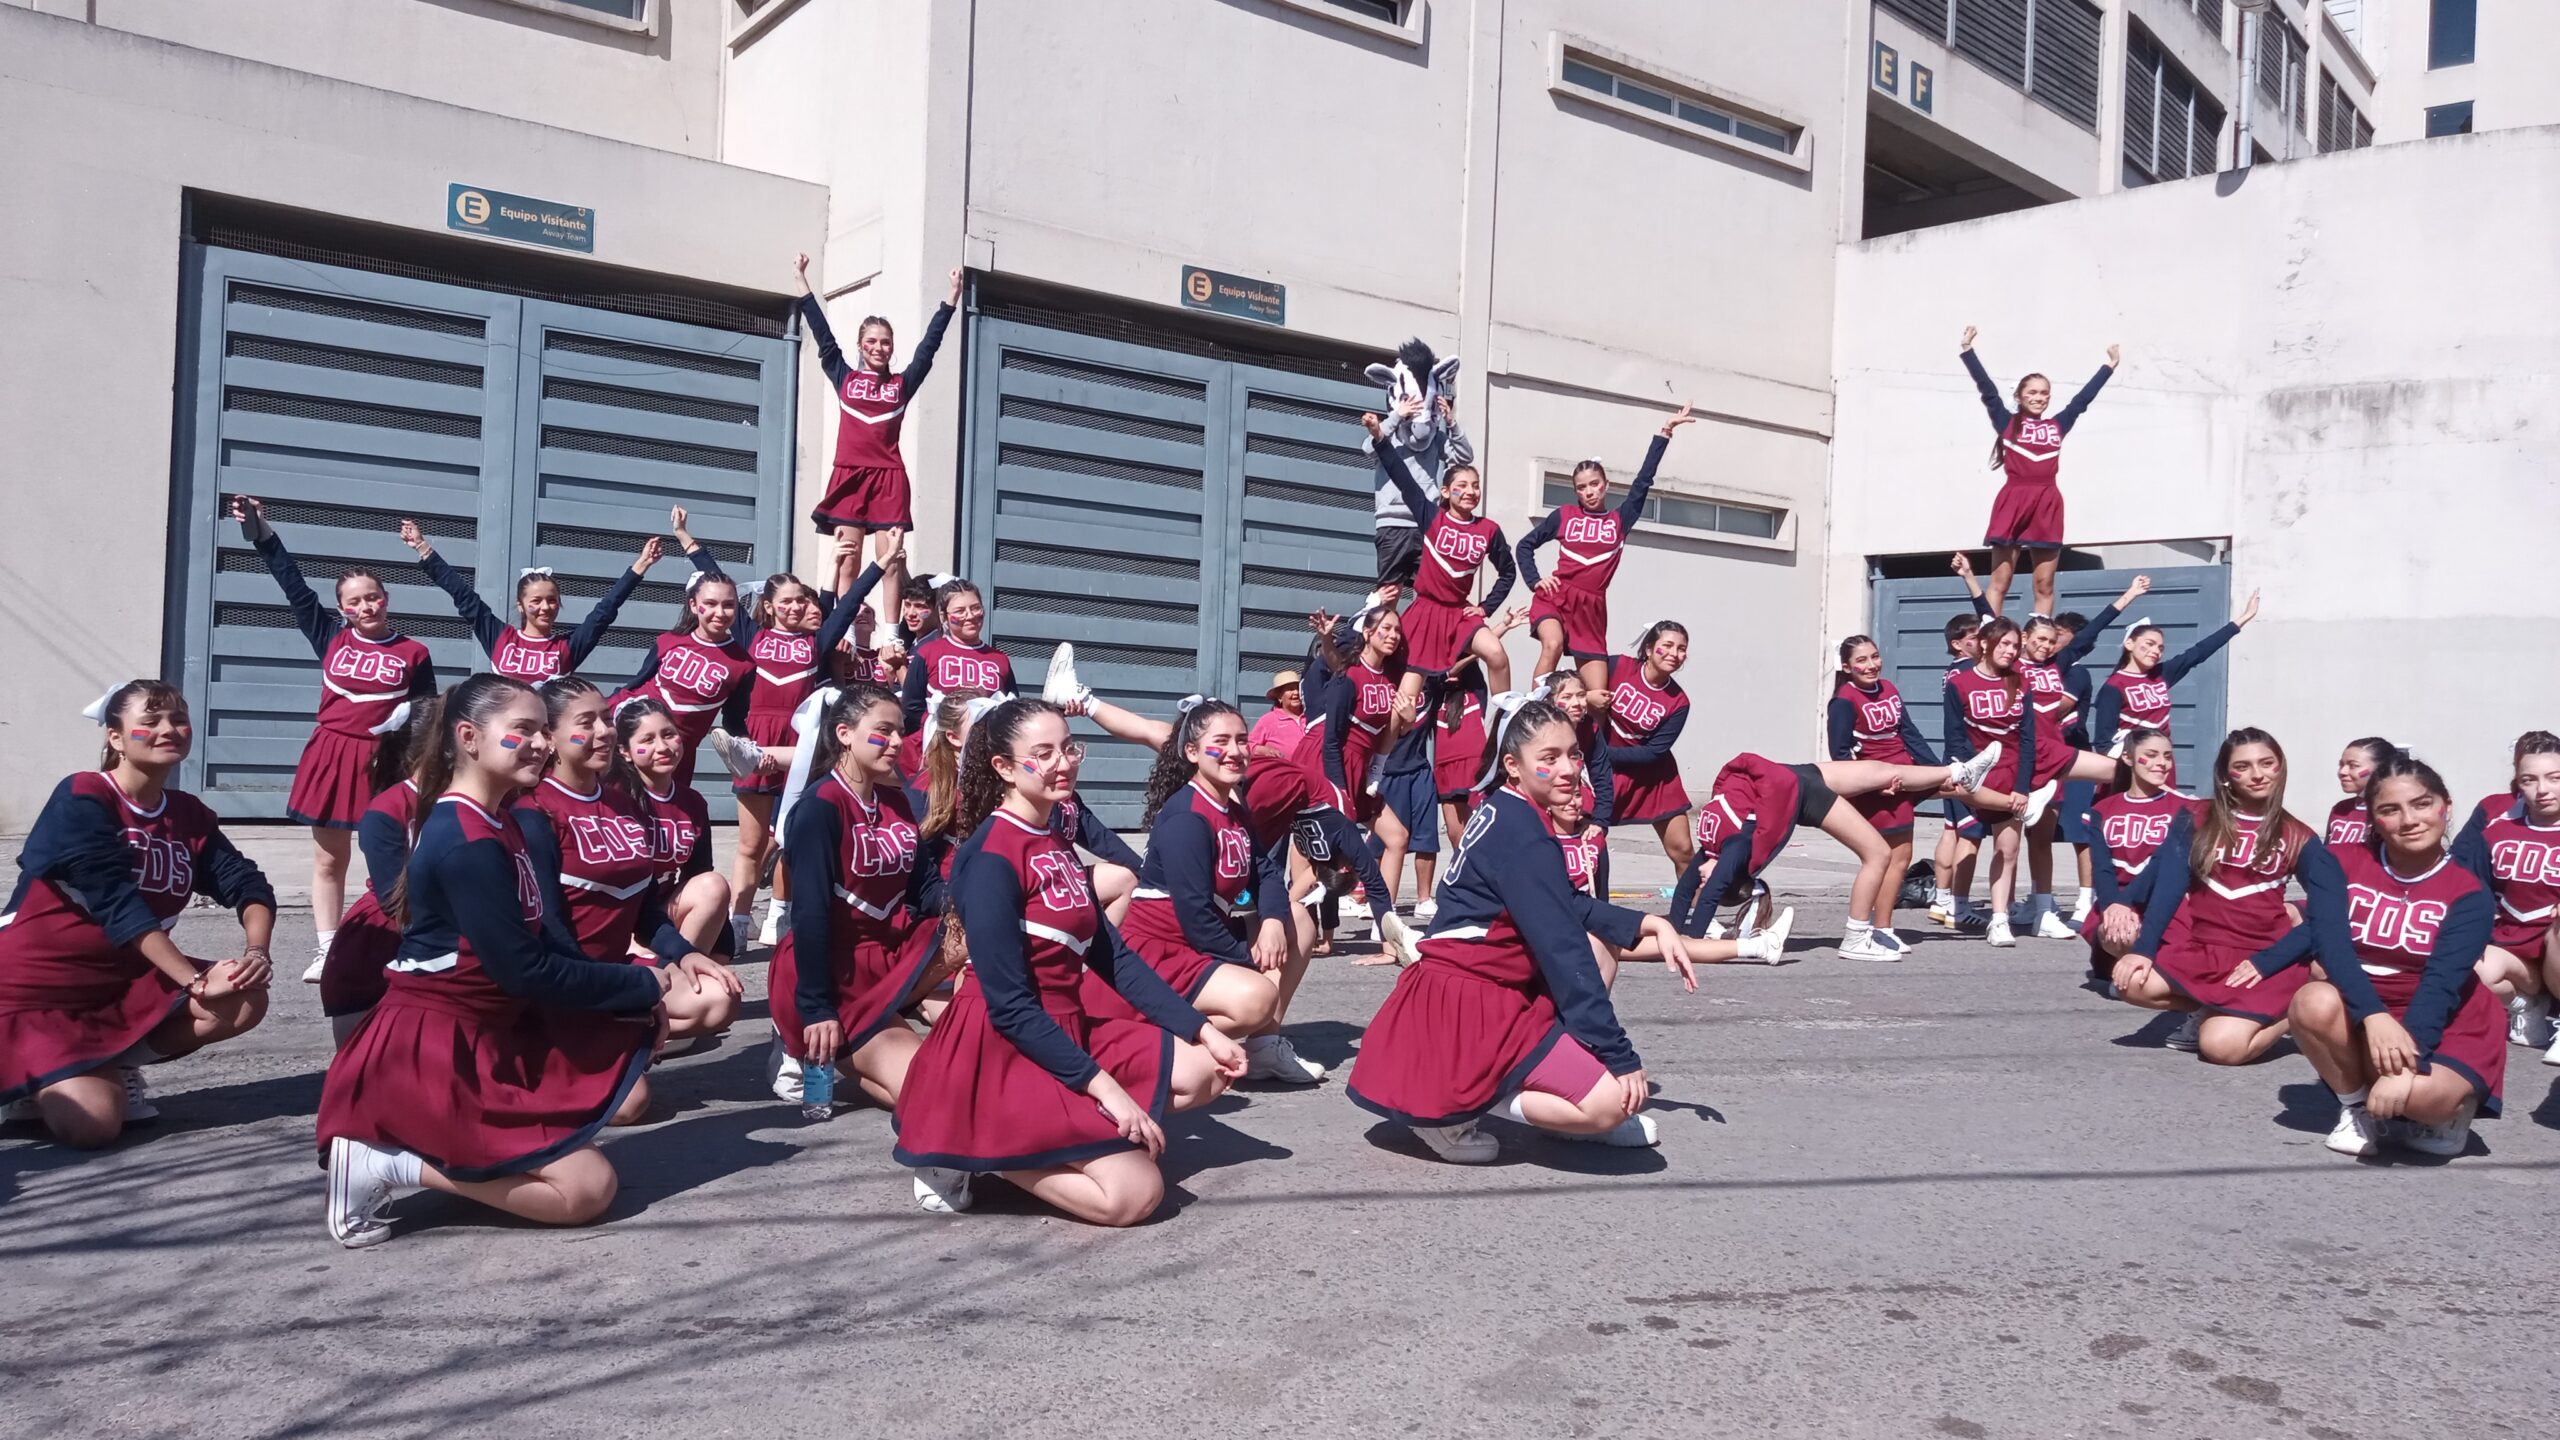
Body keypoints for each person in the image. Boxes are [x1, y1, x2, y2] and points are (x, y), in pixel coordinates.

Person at [316, 674, 673, 1247]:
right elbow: (524, 969)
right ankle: (379, 1163)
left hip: (487, 1036)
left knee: (589, 1172)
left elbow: (545, 948)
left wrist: (632, 992)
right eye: (523, 731)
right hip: (431, 1050)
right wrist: (642, 990)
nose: (540, 744)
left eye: (542, 731)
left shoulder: (502, 821)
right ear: (469, 737)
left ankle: (405, 1151)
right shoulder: (467, 839)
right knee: (584, 1191)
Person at [891, 700, 1248, 1224]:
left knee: (1206, 1070)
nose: (1063, 763)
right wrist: (1108, 1091)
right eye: (1043, 753)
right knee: (1134, 1195)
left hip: (1066, 1025)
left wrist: (1200, 1031)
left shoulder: (1054, 837)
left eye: (1068, 747)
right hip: (1002, 1044)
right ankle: (962, 1149)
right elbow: (1010, 1007)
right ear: (1004, 768)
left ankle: (1063, 1134)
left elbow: (1114, 957)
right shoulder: (989, 855)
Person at [1346, 698, 1698, 1163]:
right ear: (1513, 766)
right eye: (1549, 759)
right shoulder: (1523, 832)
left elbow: (1564, 904)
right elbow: (1562, 950)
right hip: (1471, 1002)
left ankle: (1521, 1091)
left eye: (1573, 754)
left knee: (1603, 948)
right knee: (1609, 1103)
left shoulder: (1508, 809)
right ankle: (1455, 1107)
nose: (1570, 768)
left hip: (1477, 985)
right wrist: (1620, 1057)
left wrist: (1648, 922)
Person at [0, 681, 276, 1147]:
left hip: (120, 985)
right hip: (34, 992)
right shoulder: (83, 795)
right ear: (115, 738)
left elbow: (247, 885)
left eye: (178, 719)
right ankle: (35, 1080)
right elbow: (118, 906)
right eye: (150, 722)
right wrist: (194, 980)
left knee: (245, 998)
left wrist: (256, 953)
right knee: (94, 1126)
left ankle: (112, 1063)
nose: (169, 729)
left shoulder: (188, 814)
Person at [230, 496, 436, 984]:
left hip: (381, 762)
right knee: (328, 857)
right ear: (342, 608)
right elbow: (292, 585)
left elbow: (425, 716)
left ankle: (399, 937)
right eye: (354, 601)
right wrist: (263, 532)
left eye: (372, 597)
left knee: (388, 853)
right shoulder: (331, 637)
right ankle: (328, 948)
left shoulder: (414, 651)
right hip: (330, 753)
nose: (365, 606)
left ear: (386, 598)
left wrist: (422, 772)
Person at [2274, 753, 2505, 1158]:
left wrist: (2406, 1067)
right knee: (2311, 1000)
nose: (2409, 820)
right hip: (2368, 1005)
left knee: (2420, 1099)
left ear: (2444, 806)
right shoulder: (2339, 862)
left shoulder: (2470, 893)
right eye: (2390, 810)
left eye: (2421, 804)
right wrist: (2374, 1015)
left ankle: (2449, 1108)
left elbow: (2441, 984)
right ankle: (2357, 1107)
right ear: (2373, 819)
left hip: (2444, 1017)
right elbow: (2331, 946)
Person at [519, 678, 740, 1054]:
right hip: (562, 983)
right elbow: (548, 931)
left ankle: (628, 1036)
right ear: (549, 736)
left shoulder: (625, 806)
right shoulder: (534, 811)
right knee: (628, 1109)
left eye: (606, 718)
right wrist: (625, 988)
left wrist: (687, 955)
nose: (604, 731)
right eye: (586, 723)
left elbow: (646, 910)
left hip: (614, 969)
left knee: (721, 997)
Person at [700, 533, 895, 948]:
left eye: (800, 601)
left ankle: (778, 917)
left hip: (798, 751)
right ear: (768, 605)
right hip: (754, 746)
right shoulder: (749, 635)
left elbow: (843, 605)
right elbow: (713, 577)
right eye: (785, 601)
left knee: (790, 839)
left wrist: (879, 564)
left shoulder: (815, 642)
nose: (795, 607)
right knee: (751, 845)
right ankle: (737, 922)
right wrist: (687, 541)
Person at [2109, 728, 2340, 1064]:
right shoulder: (2196, 817)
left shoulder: (2299, 836)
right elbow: (2169, 886)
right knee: (2129, 982)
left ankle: (2296, 1014)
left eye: (2266, 763)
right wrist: (2143, 950)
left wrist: (2268, 961)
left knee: (2221, 1049)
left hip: (2262, 960)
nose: (2257, 774)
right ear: (2225, 775)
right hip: (2204, 952)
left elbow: (2329, 913)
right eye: (2242, 766)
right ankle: (2214, 1005)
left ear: (2281, 767)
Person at [1124, 699, 1325, 1083]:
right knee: (1257, 997)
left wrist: (1269, 923)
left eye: (1242, 740)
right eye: (1221, 742)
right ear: (1192, 752)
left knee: (1295, 918)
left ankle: (1264, 1048)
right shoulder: (1187, 817)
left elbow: (1265, 870)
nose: (1235, 751)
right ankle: (1154, 1045)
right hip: (1161, 949)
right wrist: (1249, 961)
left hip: (1196, 938)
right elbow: (1196, 918)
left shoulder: (1231, 808)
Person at [769, 684, 944, 1112]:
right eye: (884, 730)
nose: (898, 742)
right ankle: (799, 1043)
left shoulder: (897, 801)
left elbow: (925, 891)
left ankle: (856, 1045)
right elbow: (809, 917)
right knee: (929, 1095)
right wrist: (816, 1009)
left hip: (884, 959)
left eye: (901, 730)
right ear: (844, 733)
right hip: (830, 975)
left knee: (943, 1085)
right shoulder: (819, 807)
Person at [1668, 749, 2005, 961]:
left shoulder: (1709, 850)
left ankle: (1959, 773)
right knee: (1877, 853)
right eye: (1711, 880)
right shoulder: (1733, 854)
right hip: (1797, 791)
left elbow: (1685, 891)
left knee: (1884, 772)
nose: (1700, 877)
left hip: (1790, 775)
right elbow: (1708, 896)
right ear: (1729, 878)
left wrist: (1670, 929)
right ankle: (1856, 938)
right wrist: (1691, 942)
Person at [1961, 567, 2149, 936]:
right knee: (2008, 842)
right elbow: (1988, 616)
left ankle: (2043, 912)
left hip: (2054, 757)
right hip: (2020, 757)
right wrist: (1969, 576)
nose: (2046, 647)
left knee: (2044, 838)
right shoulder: (2011, 666)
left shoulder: (2059, 664)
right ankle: (2002, 915)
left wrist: (2129, 596)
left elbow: (2094, 629)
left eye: (2051, 641)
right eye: (2040, 640)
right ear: (2023, 638)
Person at [795, 254, 959, 604]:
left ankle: (892, 636)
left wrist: (951, 300)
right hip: (850, 476)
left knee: (891, 562)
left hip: (888, 478)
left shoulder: (901, 384)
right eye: (871, 341)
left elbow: (928, 350)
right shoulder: (845, 379)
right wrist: (802, 282)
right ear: (860, 345)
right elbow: (824, 339)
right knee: (848, 559)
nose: (878, 348)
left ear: (892, 347)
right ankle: (847, 630)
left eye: (885, 342)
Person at [1516, 405, 1696, 696]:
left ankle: (1583, 737)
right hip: (1558, 598)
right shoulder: (1563, 515)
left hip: (1591, 610)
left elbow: (1642, 483)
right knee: (1553, 644)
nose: (1589, 491)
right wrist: (1535, 579)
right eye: (1581, 487)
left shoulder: (1620, 520)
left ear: (1605, 486)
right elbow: (1525, 545)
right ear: (1576, 491)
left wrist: (1665, 433)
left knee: (1598, 697)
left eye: (1594, 484)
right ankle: (1532, 708)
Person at [1958, 326, 2120, 617]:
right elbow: (1988, 391)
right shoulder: (2007, 422)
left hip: (2047, 500)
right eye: (2032, 392)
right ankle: (1992, 634)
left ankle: (2040, 634)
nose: (2039, 397)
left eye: (2045, 393)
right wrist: (1968, 352)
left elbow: (2081, 401)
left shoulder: (2057, 425)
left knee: (2044, 584)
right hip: (2014, 498)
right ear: (2020, 396)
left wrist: (2107, 367)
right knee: (2001, 581)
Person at [1364, 409, 1516, 709]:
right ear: (1445, 491)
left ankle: (1506, 727)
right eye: (1463, 485)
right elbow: (1402, 476)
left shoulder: (1488, 530)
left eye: (1476, 485)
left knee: (1497, 655)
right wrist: (1380, 437)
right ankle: (1385, 754)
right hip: (1426, 613)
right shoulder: (1432, 517)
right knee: (1407, 699)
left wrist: (1485, 608)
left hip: (1459, 614)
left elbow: (1508, 572)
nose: (1471, 491)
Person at [401, 521, 664, 683]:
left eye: (552, 600)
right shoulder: (500, 637)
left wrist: (640, 566)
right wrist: (424, 549)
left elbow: (604, 612)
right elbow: (463, 596)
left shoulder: (567, 647)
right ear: (520, 605)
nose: (545, 607)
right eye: (536, 601)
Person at [319, 700, 440, 1046]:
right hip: (384, 940)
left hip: (438, 930)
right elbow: (395, 901)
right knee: (365, 1067)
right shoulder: (387, 810)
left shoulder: (475, 801)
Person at [613, 508, 755, 784]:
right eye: (710, 604)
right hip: (633, 744)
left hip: (675, 757)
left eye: (729, 605)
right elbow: (633, 685)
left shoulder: (743, 665)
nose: (719, 612)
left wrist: (748, 746)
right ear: (694, 605)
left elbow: (734, 721)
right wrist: (681, 534)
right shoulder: (669, 641)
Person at [1828, 634, 1946, 955]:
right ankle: (1861, 928)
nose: (1871, 665)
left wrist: (1934, 771)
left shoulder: (1890, 689)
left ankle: (1884, 928)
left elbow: (1910, 734)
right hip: (1874, 788)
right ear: (1847, 667)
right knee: (1879, 858)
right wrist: (1872, 784)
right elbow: (1840, 755)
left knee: (1902, 858)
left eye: (1874, 657)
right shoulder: (1844, 700)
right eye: (1861, 660)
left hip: (1902, 780)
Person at [2452, 731, 2560, 1054]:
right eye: (2529, 780)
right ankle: (2526, 1004)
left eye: (2554, 778)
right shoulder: (2496, 822)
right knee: (2468, 971)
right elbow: (2465, 880)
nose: (2542, 790)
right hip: (2515, 944)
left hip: (2555, 943)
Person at [611, 700, 735, 964]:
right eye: (648, 739)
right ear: (625, 751)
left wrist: (722, 942)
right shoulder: (614, 799)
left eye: (669, 735)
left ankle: (678, 975)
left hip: (663, 913)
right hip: (619, 915)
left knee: (712, 885)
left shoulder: (692, 802)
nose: (663, 747)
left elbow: (698, 874)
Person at [2087, 591, 2260, 753]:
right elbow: (2103, 744)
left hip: (2161, 760)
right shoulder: (2114, 686)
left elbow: (2199, 652)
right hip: (2131, 765)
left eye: (2160, 647)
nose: (2156, 651)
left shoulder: (2161, 674)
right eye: (2149, 643)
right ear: (2129, 644)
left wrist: (2243, 618)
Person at [2074, 727, 2184, 981]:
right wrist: (2114, 904)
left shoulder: (2184, 808)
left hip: (2167, 905)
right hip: (2119, 905)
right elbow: (2102, 867)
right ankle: (2111, 957)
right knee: (2123, 933)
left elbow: (2168, 869)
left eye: (2167, 756)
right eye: (2152, 755)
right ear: (2128, 758)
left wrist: (2129, 904)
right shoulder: (2103, 809)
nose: (2161, 763)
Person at [1601, 621, 1696, 874]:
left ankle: (1698, 912)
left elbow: (1653, 752)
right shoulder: (1617, 666)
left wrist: (1600, 753)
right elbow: (1578, 684)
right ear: (1649, 649)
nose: (1675, 654)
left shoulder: (1679, 702)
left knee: (1684, 851)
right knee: (1589, 841)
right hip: (1604, 772)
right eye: (1668, 646)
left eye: (1682, 648)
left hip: (1655, 778)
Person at [1927, 609, 1992, 932]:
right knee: (1971, 831)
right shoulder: (1970, 672)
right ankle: (1959, 906)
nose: (1981, 643)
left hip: (1952, 755)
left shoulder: (1951, 672)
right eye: (1973, 639)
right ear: (1956, 644)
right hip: (1968, 758)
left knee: (1951, 829)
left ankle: (1941, 899)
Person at [2325, 737, 2398, 846]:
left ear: (2381, 769)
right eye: (2341, 765)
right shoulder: (2340, 809)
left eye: (2353, 766)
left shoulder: (2394, 811)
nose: (2342, 772)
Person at [1248, 670, 1308, 764]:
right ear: (1280, 696)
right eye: (1290, 689)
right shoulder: (1268, 720)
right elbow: (1249, 745)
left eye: (1298, 688)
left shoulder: (1312, 716)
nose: (1296, 692)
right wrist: (1263, 750)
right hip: (1283, 774)